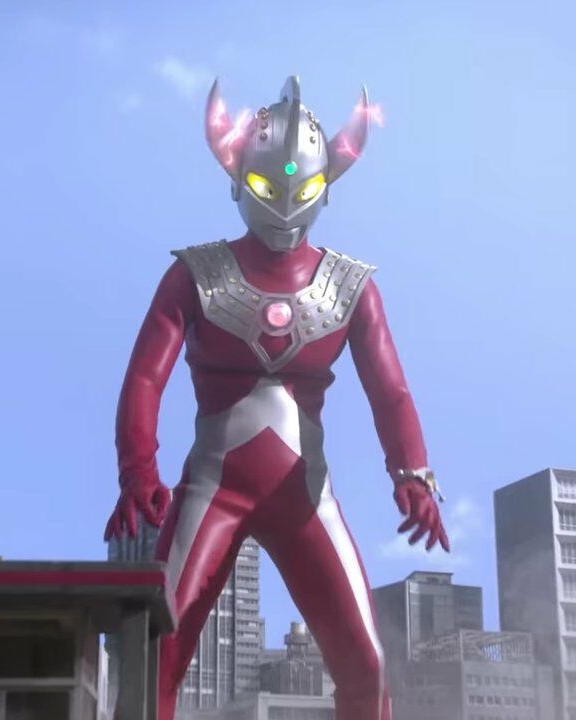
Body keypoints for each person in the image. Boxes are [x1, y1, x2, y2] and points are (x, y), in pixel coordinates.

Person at [106, 76, 449, 720]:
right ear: (237, 178)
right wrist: (137, 470)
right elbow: (145, 378)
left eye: (303, 189)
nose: (286, 207)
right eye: (269, 187)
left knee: (367, 668)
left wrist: (413, 473)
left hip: (304, 495)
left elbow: (390, 392)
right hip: (214, 489)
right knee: (156, 656)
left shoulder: (350, 287)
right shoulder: (196, 274)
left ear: (325, 187)